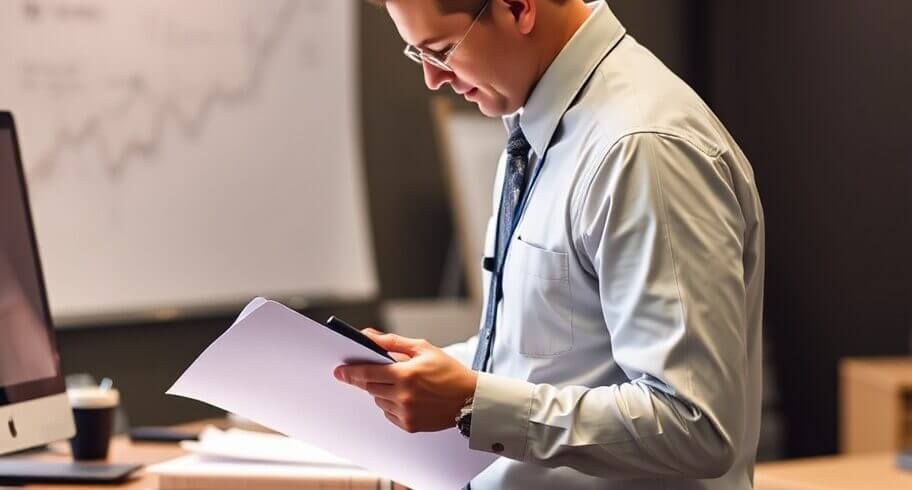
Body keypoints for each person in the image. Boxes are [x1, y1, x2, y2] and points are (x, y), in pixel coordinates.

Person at [334, 1, 765, 488]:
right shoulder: (537, 126)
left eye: (443, 51)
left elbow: (695, 425)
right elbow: (547, 354)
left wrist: (472, 402)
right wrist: (421, 377)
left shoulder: (643, 147)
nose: (434, 79)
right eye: (419, 56)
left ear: (518, 8)